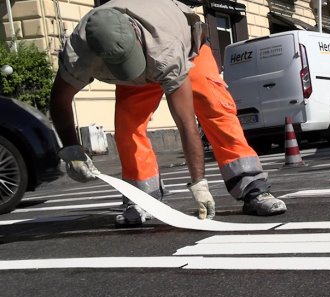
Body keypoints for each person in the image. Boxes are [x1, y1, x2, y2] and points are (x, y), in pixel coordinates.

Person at [50, 0, 287, 225]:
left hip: (185, 51)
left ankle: (253, 188)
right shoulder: (80, 51)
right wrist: (72, 150)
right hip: (133, 62)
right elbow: (60, 100)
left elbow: (186, 123)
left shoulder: (167, 48)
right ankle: (142, 198)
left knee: (215, 107)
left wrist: (199, 183)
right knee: (127, 127)